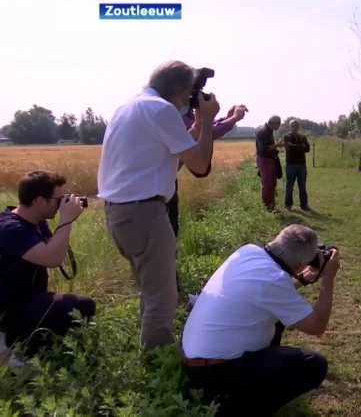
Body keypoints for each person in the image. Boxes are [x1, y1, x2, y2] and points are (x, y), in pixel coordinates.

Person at [97, 60, 220, 350]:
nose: (188, 100)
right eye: (188, 93)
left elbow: (175, 157)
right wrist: (209, 120)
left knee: (151, 292)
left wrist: (200, 123)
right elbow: (200, 166)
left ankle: (153, 360)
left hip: (121, 213)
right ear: (180, 91)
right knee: (162, 299)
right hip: (145, 215)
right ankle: (158, 370)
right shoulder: (161, 110)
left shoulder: (130, 107)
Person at [180, 224, 337, 416]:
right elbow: (317, 325)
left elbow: (267, 291)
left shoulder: (249, 251)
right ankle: (240, 410)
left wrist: (303, 278)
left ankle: (240, 391)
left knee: (278, 318)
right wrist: (328, 278)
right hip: (213, 372)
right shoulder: (273, 279)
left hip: (196, 358)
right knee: (314, 364)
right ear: (298, 265)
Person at [0, 171, 96, 361]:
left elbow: (54, 248)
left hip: (28, 300)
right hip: (8, 310)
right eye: (58, 199)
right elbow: (53, 259)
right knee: (84, 305)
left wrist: (66, 218)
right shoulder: (11, 228)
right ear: (39, 201)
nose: (61, 204)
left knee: (72, 309)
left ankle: (35, 348)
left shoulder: (36, 220)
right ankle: (13, 349)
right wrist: (66, 220)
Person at [167, 104, 248, 238]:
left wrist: (226, 118)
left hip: (164, 183)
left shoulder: (176, 112)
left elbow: (203, 127)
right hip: (161, 188)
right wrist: (233, 119)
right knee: (166, 237)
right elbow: (207, 132)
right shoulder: (174, 114)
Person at [255, 115, 285, 211]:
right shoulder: (263, 132)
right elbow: (264, 149)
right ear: (273, 123)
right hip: (265, 159)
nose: (279, 126)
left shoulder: (268, 130)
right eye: (278, 124)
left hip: (269, 159)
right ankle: (267, 206)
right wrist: (278, 145)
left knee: (272, 183)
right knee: (267, 183)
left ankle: (271, 204)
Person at [282, 119, 311, 211]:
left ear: (299, 127)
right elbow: (289, 148)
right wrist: (300, 146)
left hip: (302, 164)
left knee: (302, 186)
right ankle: (288, 205)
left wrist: (295, 146)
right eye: (293, 126)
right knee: (290, 185)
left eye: (296, 126)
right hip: (291, 164)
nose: (294, 127)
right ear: (290, 126)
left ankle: (304, 205)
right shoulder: (286, 136)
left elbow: (307, 149)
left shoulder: (302, 137)